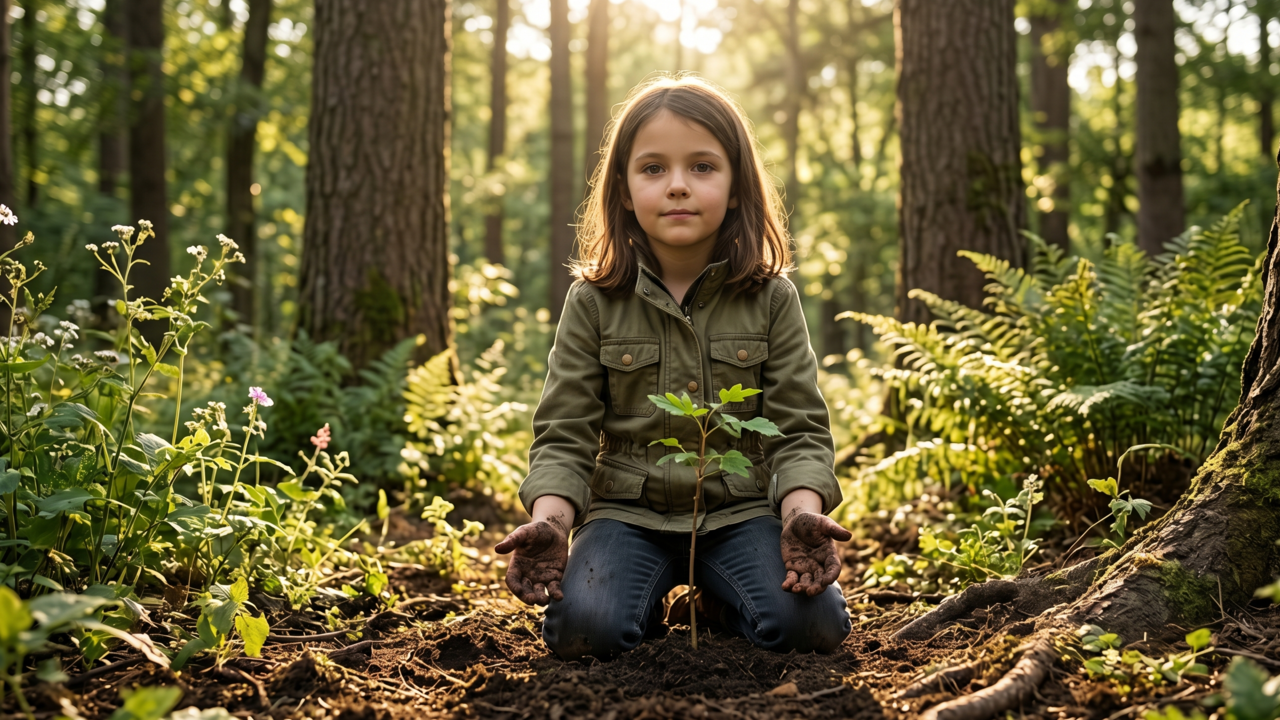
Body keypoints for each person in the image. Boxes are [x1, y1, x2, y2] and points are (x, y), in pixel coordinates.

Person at [495, 75, 852, 661]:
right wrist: (554, 524)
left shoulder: (772, 297)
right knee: (584, 630)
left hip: (742, 512)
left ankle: (716, 600)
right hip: (626, 515)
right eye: (654, 168)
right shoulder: (594, 301)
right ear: (625, 189)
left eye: (704, 167)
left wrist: (801, 514)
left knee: (810, 626)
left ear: (737, 187)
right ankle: (651, 594)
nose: (679, 186)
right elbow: (565, 432)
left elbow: (799, 429)